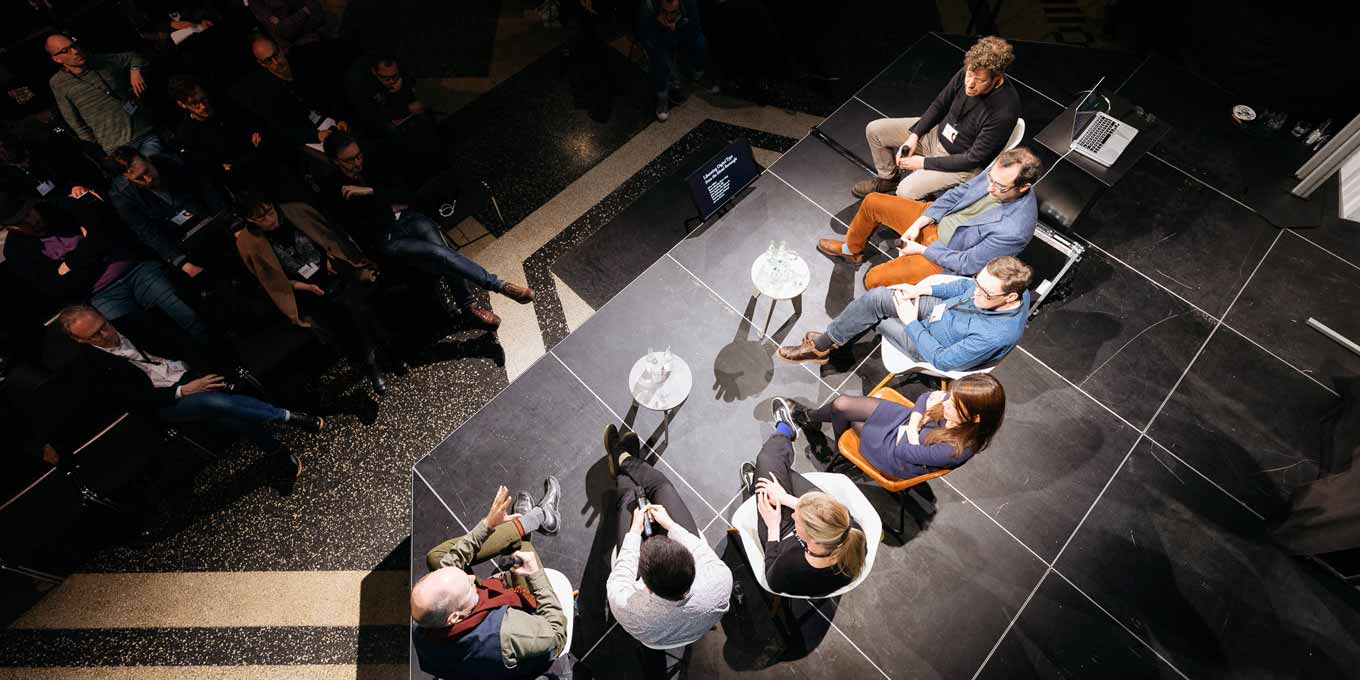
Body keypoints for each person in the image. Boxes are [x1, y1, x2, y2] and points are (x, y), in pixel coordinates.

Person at [57, 305, 323, 481]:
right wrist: (183, 390)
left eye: (103, 325)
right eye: (95, 335)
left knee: (219, 407)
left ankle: (276, 451)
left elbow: (187, 346)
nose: (105, 333)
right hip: (164, 402)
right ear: (81, 340)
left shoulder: (136, 321)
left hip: (188, 375)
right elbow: (134, 400)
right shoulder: (90, 367)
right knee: (214, 401)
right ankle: (286, 417)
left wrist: (204, 374)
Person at [320, 132, 534, 328]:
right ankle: (499, 286)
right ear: (334, 161)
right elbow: (357, 229)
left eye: (359, 156)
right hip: (386, 237)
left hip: (406, 217)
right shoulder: (333, 190)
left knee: (443, 250)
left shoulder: (372, 165)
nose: (357, 163)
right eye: (349, 160)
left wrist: (371, 191)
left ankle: (469, 308)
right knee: (439, 253)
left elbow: (405, 193)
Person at [235, 191, 400, 395]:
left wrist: (331, 257)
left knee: (355, 305)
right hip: (303, 289)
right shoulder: (246, 242)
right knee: (338, 317)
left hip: (333, 271)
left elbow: (329, 236)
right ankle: (371, 363)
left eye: (270, 211)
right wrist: (298, 285)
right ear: (249, 220)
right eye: (261, 218)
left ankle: (382, 355)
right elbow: (267, 280)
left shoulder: (295, 211)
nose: (270, 219)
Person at [819, 147, 1040, 289]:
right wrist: (919, 223)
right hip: (936, 220)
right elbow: (958, 194)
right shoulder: (999, 172)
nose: (990, 187)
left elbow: (967, 263)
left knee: (873, 280)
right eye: (990, 179)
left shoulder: (1015, 230)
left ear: (1024, 187)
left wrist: (919, 250)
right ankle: (851, 250)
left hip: (944, 255)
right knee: (873, 202)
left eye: (999, 186)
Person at [1, 189, 208, 339]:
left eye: (29, 212)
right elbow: (58, 288)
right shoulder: (16, 251)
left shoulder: (56, 207)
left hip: (133, 270)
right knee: (138, 337)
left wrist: (71, 264)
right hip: (100, 294)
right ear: (10, 227)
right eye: (21, 222)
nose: (32, 220)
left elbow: (104, 231)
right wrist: (91, 247)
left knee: (186, 313)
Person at [412, 482, 566, 679]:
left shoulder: (425, 625)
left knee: (437, 558)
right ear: (455, 617)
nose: (471, 576)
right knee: (522, 549)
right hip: (532, 636)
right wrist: (535, 574)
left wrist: (487, 526)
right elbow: (556, 635)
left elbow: (448, 564)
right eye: (468, 585)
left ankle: (524, 524)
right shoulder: (509, 632)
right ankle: (539, 519)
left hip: (477, 645)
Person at [779, 255, 1033, 372]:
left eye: (985, 293)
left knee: (877, 316)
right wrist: (919, 289)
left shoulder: (995, 335)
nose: (976, 293)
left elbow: (943, 360)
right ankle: (824, 346)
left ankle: (827, 344)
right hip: (943, 312)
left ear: (1009, 298)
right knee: (878, 297)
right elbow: (963, 286)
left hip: (929, 343)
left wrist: (911, 321)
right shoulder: (1005, 289)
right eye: (978, 283)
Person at [602, 423, 732, 648]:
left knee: (628, 500)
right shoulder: (720, 580)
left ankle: (620, 459)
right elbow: (699, 548)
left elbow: (620, 576)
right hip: (692, 625)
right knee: (663, 487)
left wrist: (635, 531)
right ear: (692, 564)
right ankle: (624, 459)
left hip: (656, 630)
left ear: (647, 587)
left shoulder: (628, 608)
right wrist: (669, 524)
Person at [853, 36, 1020, 200]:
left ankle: (925, 207)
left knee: (905, 191)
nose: (969, 84)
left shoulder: (1004, 111)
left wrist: (923, 163)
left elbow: (972, 159)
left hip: (960, 163)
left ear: (997, 79)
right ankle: (888, 180)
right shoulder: (971, 70)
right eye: (969, 75)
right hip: (936, 135)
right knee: (875, 130)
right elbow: (940, 104)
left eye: (979, 80)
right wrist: (914, 135)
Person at [741, 398, 867, 596]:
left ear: (809, 539)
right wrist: (786, 499)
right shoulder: (850, 533)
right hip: (814, 524)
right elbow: (827, 514)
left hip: (779, 536)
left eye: (797, 518)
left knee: (767, 466)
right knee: (770, 472)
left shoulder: (789, 567)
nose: (792, 515)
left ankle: (782, 434)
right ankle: (766, 468)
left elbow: (771, 578)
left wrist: (773, 528)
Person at [797, 374, 1007, 479]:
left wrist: (914, 430)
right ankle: (810, 417)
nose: (946, 403)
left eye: (953, 405)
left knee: (850, 419)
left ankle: (839, 449)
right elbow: (926, 397)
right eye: (950, 398)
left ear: (975, 418)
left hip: (896, 453)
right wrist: (916, 421)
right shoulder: (957, 403)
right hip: (906, 423)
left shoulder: (955, 449)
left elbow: (904, 450)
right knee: (841, 404)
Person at [108, 147, 226, 278]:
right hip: (179, 244)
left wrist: (232, 223)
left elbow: (208, 192)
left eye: (146, 171)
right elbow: (149, 233)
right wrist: (184, 264)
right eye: (139, 178)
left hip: (210, 222)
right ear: (127, 177)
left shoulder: (171, 162)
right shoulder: (123, 197)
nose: (148, 179)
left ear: (148, 160)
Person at [44, 34, 164, 157]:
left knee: (156, 166)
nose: (75, 51)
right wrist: (97, 146)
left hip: (142, 131)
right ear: (57, 59)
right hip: (114, 147)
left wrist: (135, 71)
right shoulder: (58, 83)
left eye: (74, 45)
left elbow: (134, 57)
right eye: (66, 50)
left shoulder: (99, 61)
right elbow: (73, 120)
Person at [234, 35, 349, 149]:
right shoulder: (266, 91)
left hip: (332, 118)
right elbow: (283, 127)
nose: (276, 62)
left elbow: (331, 89)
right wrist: (315, 135)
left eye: (276, 55)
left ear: (281, 49)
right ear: (262, 64)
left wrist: (340, 116)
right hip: (311, 133)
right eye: (268, 60)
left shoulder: (303, 60)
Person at [168, 75, 267, 186]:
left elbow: (253, 120)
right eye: (194, 103)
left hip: (260, 158)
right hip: (238, 177)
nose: (203, 106)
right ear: (182, 104)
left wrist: (256, 130)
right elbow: (208, 169)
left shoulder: (225, 103)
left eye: (203, 99)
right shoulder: (187, 134)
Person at [636, 0, 711, 122]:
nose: (669, 16)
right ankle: (662, 97)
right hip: (659, 34)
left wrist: (679, 24)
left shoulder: (689, 2)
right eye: (665, 11)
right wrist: (658, 25)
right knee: (659, 56)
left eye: (673, 12)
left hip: (683, 30)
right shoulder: (649, 4)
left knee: (700, 43)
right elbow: (643, 35)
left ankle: (697, 73)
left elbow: (696, 26)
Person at [0, 129, 105, 201]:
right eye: (1, 152)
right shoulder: (9, 175)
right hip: (59, 205)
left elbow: (72, 170)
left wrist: (74, 186)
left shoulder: (45, 149)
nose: (3, 153)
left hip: (83, 188)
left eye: (4, 147)